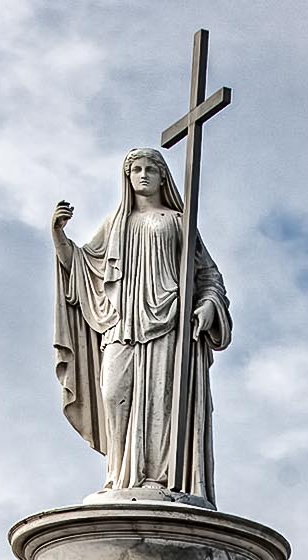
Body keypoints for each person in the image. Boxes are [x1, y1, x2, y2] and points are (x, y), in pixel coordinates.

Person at [52, 148, 232, 502]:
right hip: (122, 326)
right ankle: (121, 476)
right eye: (136, 169)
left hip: (171, 325)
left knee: (160, 401)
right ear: (127, 177)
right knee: (114, 394)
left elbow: (208, 276)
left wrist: (209, 305)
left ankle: (159, 479)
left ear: (164, 176)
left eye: (151, 168)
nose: (143, 174)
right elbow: (81, 267)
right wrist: (58, 234)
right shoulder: (115, 224)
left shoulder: (179, 221)